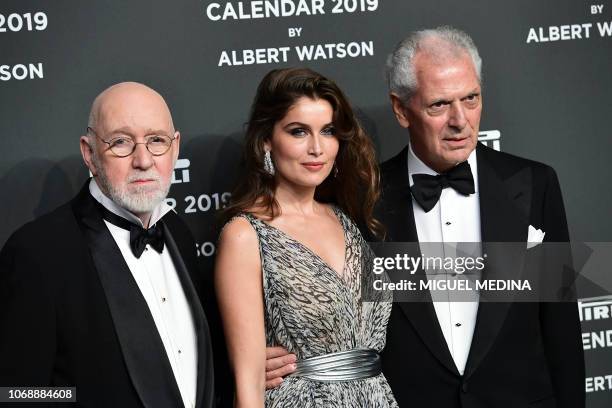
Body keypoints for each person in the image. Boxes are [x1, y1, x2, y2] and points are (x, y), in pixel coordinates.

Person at [265, 27, 585, 408]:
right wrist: (268, 361)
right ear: (401, 109)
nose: (460, 120)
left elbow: (561, 329)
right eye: (439, 105)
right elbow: (331, 316)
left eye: (471, 99)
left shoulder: (535, 184)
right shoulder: (361, 197)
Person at [0, 82, 215, 408]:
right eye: (121, 143)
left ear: (175, 147)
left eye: (156, 140)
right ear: (89, 153)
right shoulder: (37, 253)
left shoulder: (179, 234)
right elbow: (16, 394)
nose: (143, 160)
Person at [215, 68, 397, 407]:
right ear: (267, 140)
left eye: (327, 131)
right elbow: (249, 383)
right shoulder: (245, 235)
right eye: (298, 132)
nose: (317, 148)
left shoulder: (345, 220)